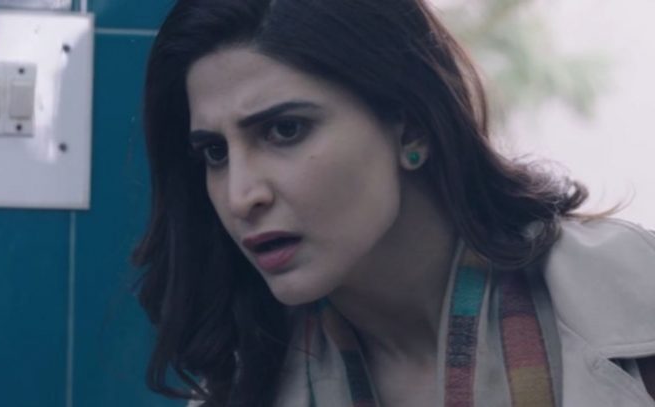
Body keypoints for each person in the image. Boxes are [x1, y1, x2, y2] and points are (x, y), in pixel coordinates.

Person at [132, 0, 655, 405]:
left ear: (412, 127)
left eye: (285, 130)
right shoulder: (242, 384)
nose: (242, 195)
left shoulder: (632, 308)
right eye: (215, 152)